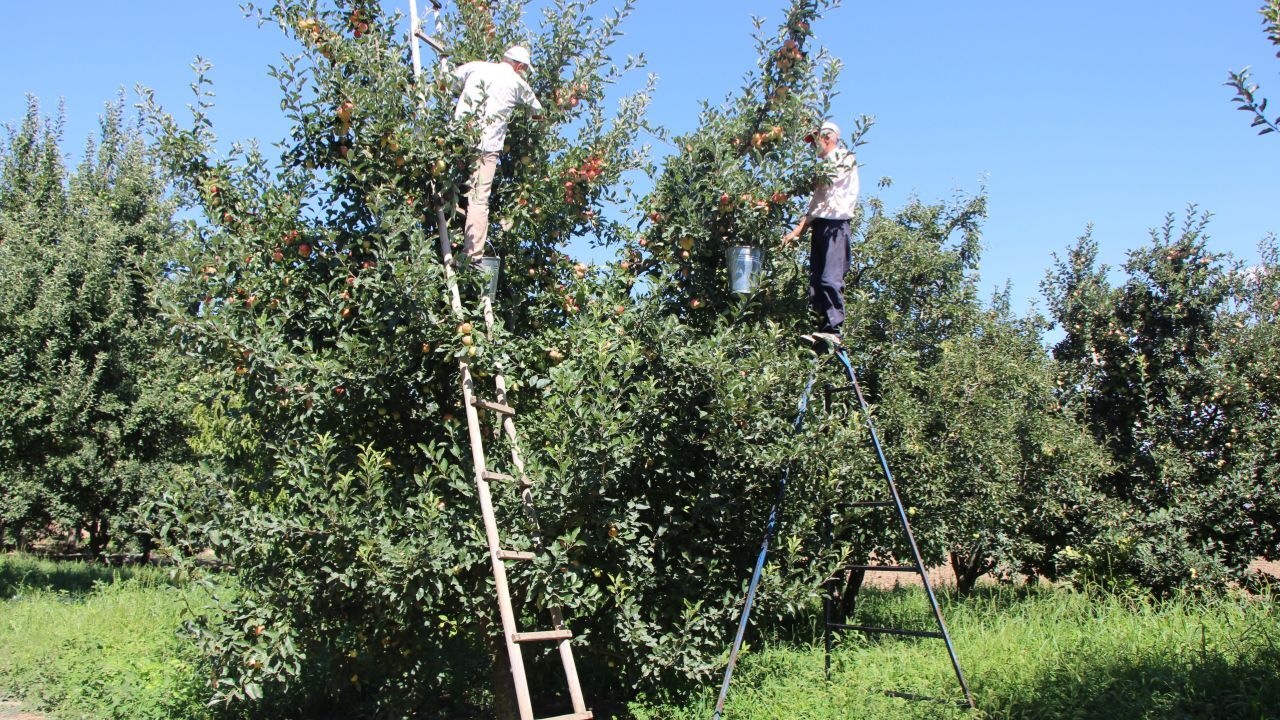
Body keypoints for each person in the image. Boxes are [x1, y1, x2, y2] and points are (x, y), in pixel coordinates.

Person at [453, 45, 544, 265]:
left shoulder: (476, 67)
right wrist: (535, 120)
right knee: (478, 199)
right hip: (487, 147)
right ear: (520, 66)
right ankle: (472, 255)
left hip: (458, 137)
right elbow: (538, 111)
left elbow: (448, 81)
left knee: (450, 184)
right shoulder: (518, 83)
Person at [783, 120, 860, 347]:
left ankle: (833, 330)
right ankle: (821, 329)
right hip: (820, 227)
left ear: (827, 138)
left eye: (814, 141)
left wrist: (793, 188)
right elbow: (815, 205)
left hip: (836, 227)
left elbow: (826, 182)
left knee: (829, 279)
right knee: (816, 282)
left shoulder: (844, 158)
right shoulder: (821, 171)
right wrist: (798, 230)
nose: (811, 148)